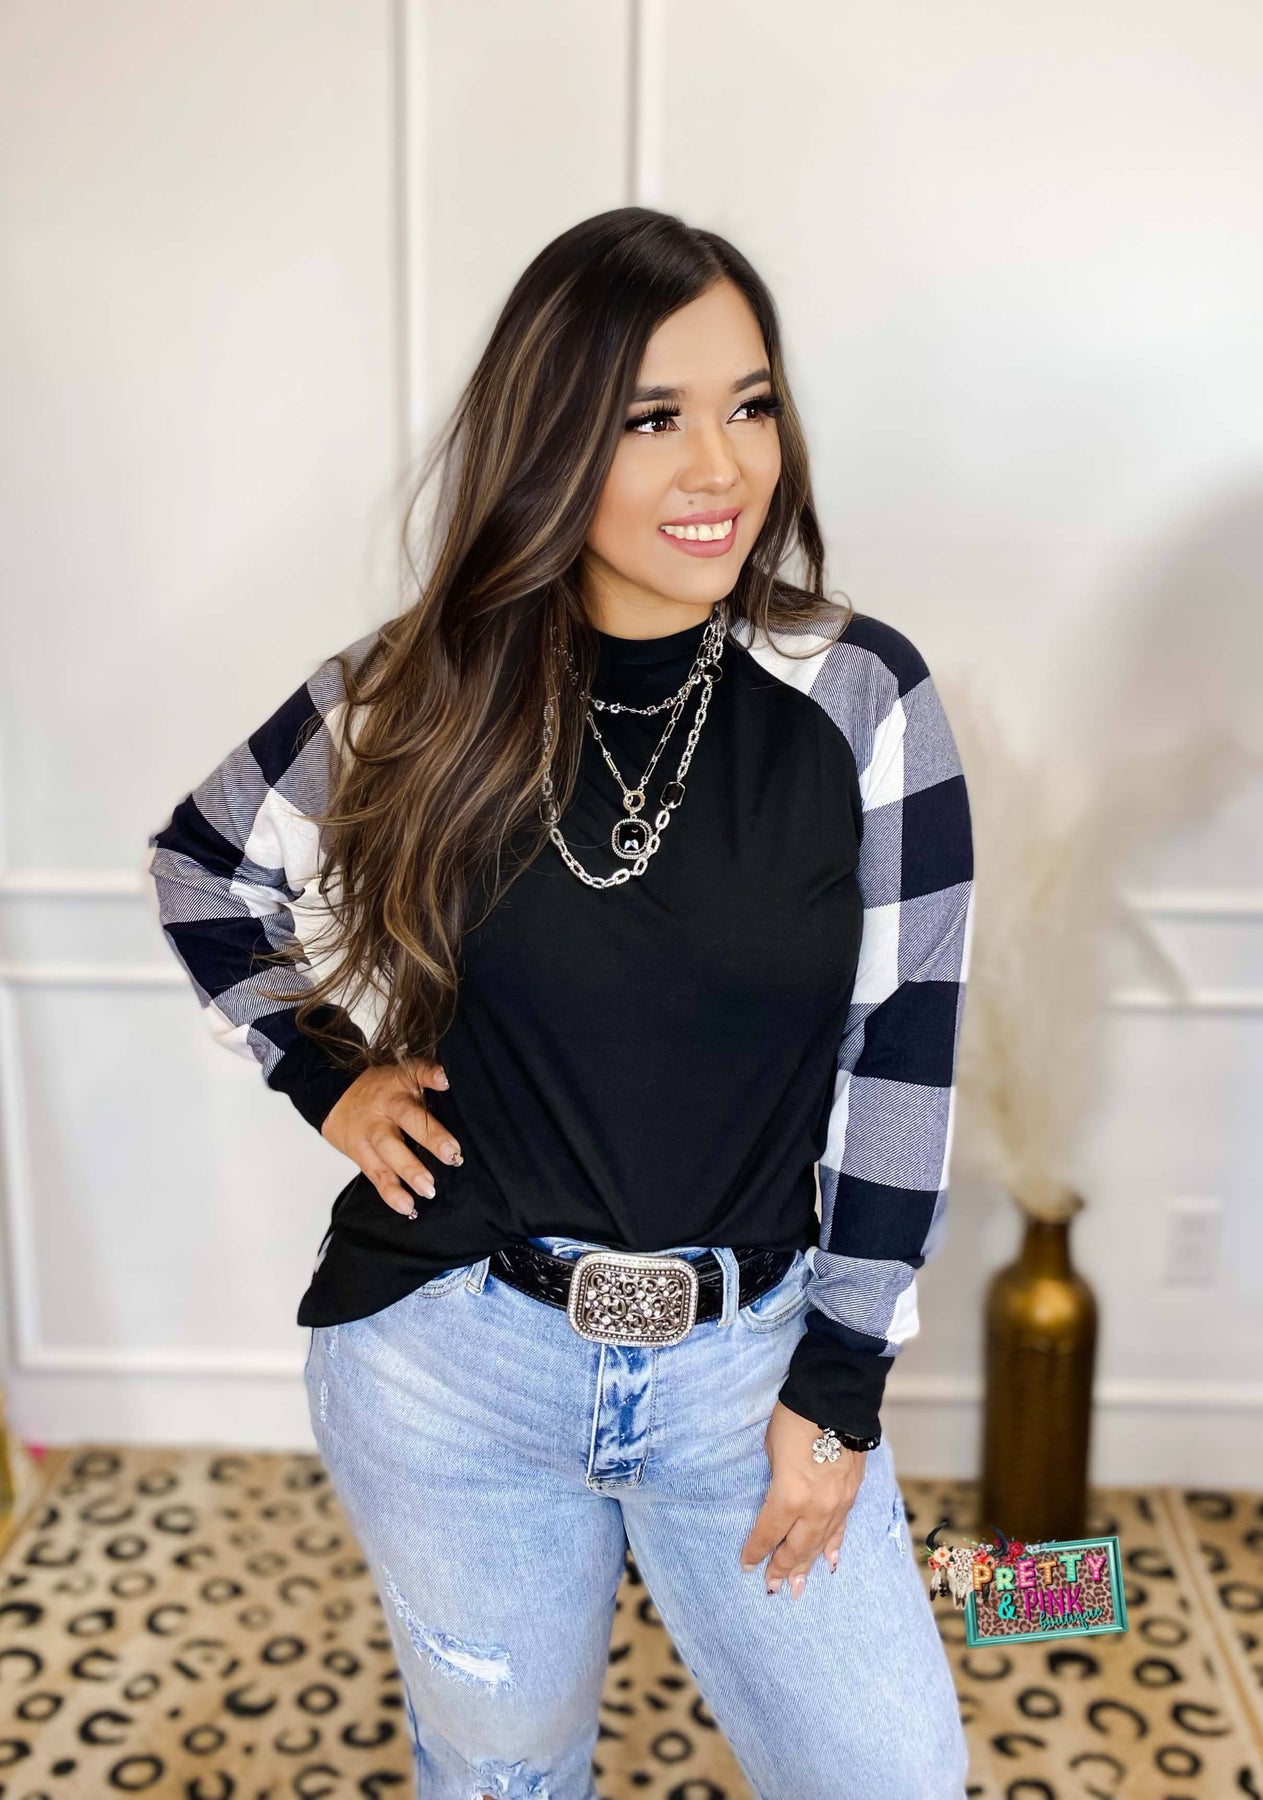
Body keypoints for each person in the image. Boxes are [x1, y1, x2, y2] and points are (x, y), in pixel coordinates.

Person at [146, 207, 974, 1800]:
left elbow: (906, 1056)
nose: (721, 466)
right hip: (451, 1363)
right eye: (652, 419)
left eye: (749, 404)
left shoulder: (862, 697)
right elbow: (204, 865)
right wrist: (325, 1073)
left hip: (751, 1369)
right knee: (503, 1778)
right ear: (552, 442)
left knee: (890, 1774)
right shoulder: (419, 691)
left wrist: (839, 1386)